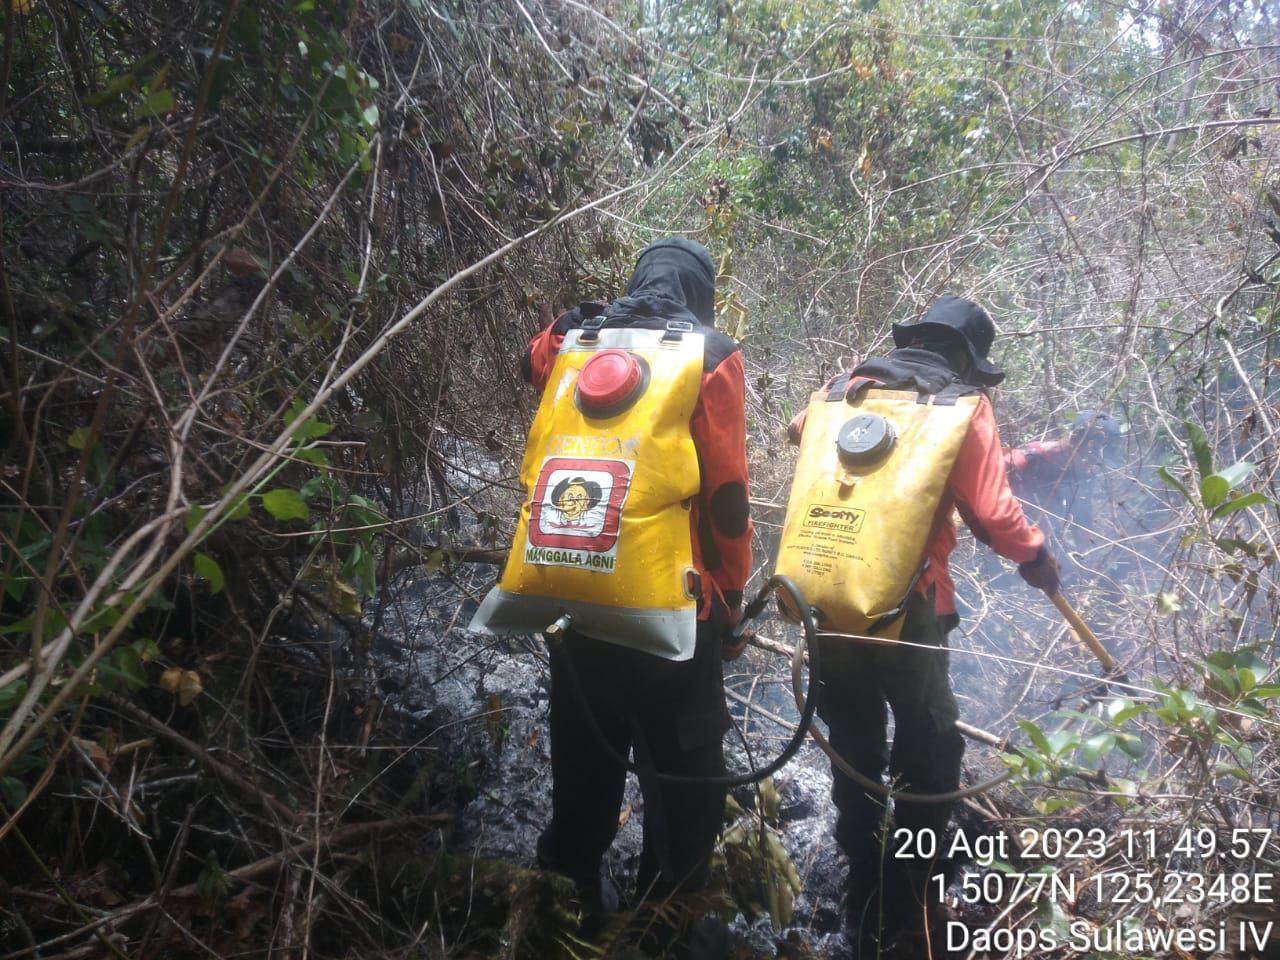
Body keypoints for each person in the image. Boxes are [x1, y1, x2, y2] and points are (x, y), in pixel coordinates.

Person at [787, 296, 1061, 956]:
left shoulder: (844, 389)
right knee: (932, 747)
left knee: (852, 736)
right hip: (906, 610)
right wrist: (1037, 557)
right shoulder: (963, 405)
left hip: (826, 596)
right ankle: (911, 894)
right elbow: (995, 515)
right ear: (968, 360)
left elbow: (798, 429)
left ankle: (861, 872)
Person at [524, 237, 752, 953]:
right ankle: (662, 913)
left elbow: (534, 358)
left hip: (573, 599)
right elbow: (726, 500)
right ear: (698, 291)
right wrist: (735, 592)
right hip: (675, 618)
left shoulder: (573, 343)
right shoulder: (711, 353)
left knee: (585, 759)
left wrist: (574, 318)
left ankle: (568, 906)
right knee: (687, 777)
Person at [1004, 410, 1124, 529]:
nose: (1096, 462)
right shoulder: (1017, 462)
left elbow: (1082, 522)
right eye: (1094, 453)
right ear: (1075, 438)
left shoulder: (1081, 477)